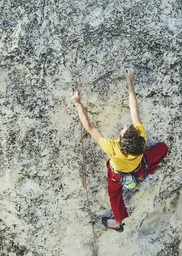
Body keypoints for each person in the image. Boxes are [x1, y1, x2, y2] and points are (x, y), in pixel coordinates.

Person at [72, 68, 168, 232]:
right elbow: (134, 109)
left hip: (117, 175)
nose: (124, 127)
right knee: (163, 148)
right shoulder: (141, 137)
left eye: (123, 131)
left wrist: (78, 103)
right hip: (138, 167)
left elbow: (90, 127)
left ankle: (118, 223)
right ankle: (148, 171)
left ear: (121, 141)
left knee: (115, 196)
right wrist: (130, 82)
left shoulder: (113, 148)